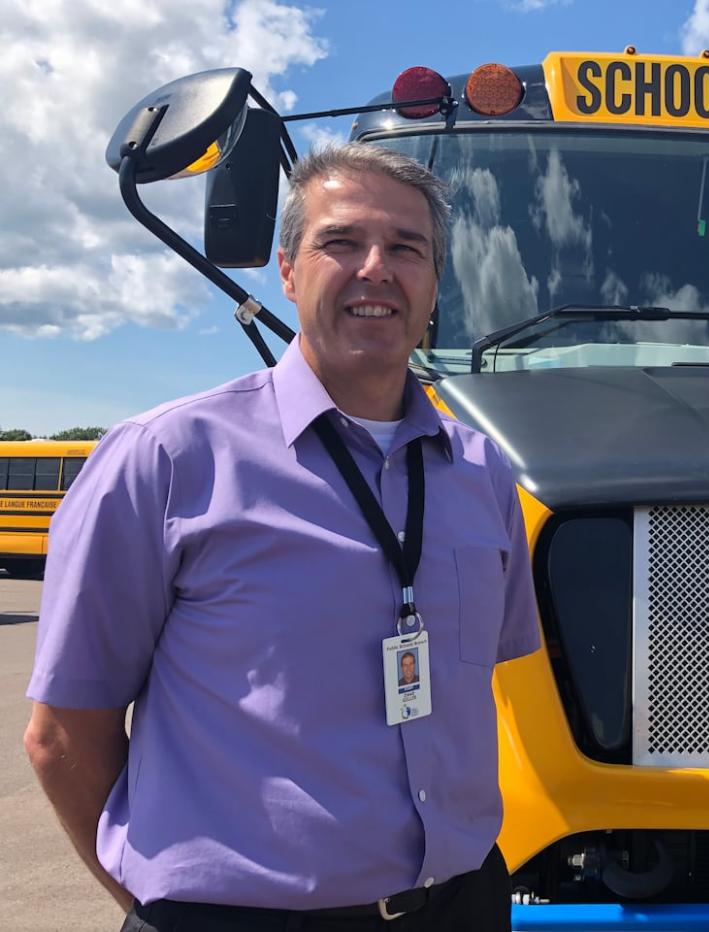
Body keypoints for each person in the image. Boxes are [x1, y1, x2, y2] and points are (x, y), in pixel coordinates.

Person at [23, 144, 541, 931]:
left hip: (461, 903)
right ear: (289, 271)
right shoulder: (167, 458)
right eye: (341, 242)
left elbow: (482, 690)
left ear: (434, 286)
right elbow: (62, 735)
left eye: (408, 249)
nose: (376, 268)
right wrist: (161, 909)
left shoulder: (481, 472)